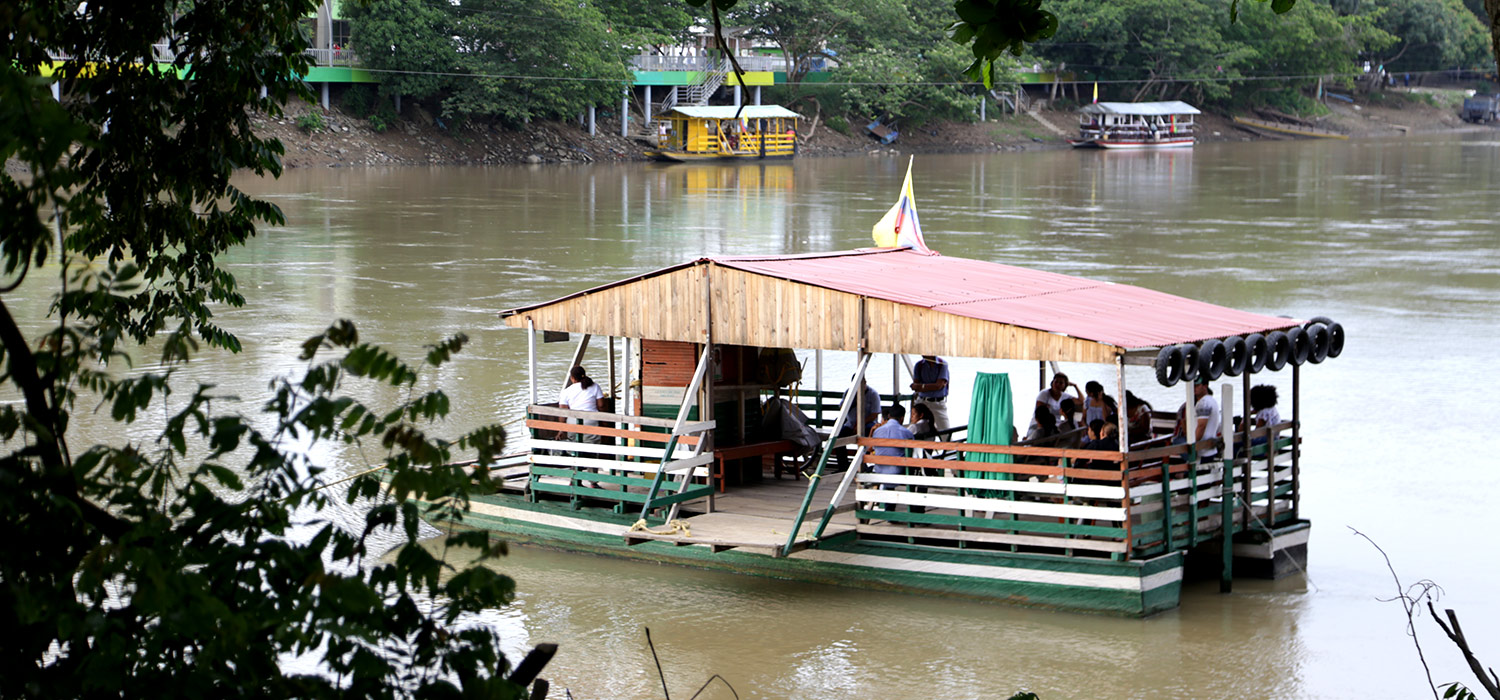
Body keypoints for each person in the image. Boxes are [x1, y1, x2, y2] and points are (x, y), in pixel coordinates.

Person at [870, 405, 915, 511]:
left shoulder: (878, 431)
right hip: (897, 471)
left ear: (889, 416)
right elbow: (913, 452)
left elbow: (872, 448)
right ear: (902, 418)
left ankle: (888, 509)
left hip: (879, 469)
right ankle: (915, 509)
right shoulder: (906, 432)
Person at [1172, 377, 1221, 461]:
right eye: (1193, 386)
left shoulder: (1203, 403)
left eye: (1197, 386)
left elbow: (1201, 426)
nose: (1194, 388)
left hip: (1202, 449)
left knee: (1177, 442)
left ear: (1205, 386)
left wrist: (1193, 444)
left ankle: (1189, 462)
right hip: (1209, 447)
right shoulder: (1212, 401)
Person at [559, 365, 605, 445]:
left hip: (573, 422)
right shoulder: (595, 386)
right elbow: (601, 405)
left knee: (574, 445)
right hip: (591, 420)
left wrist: (561, 430)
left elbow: (563, 413)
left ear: (572, 378)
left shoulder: (566, 391)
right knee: (591, 446)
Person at [909, 355, 950, 432]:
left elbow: (938, 386)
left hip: (937, 403)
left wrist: (922, 386)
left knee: (945, 431)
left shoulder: (942, 364)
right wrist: (934, 386)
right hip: (922, 402)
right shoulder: (919, 365)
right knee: (915, 428)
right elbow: (916, 387)